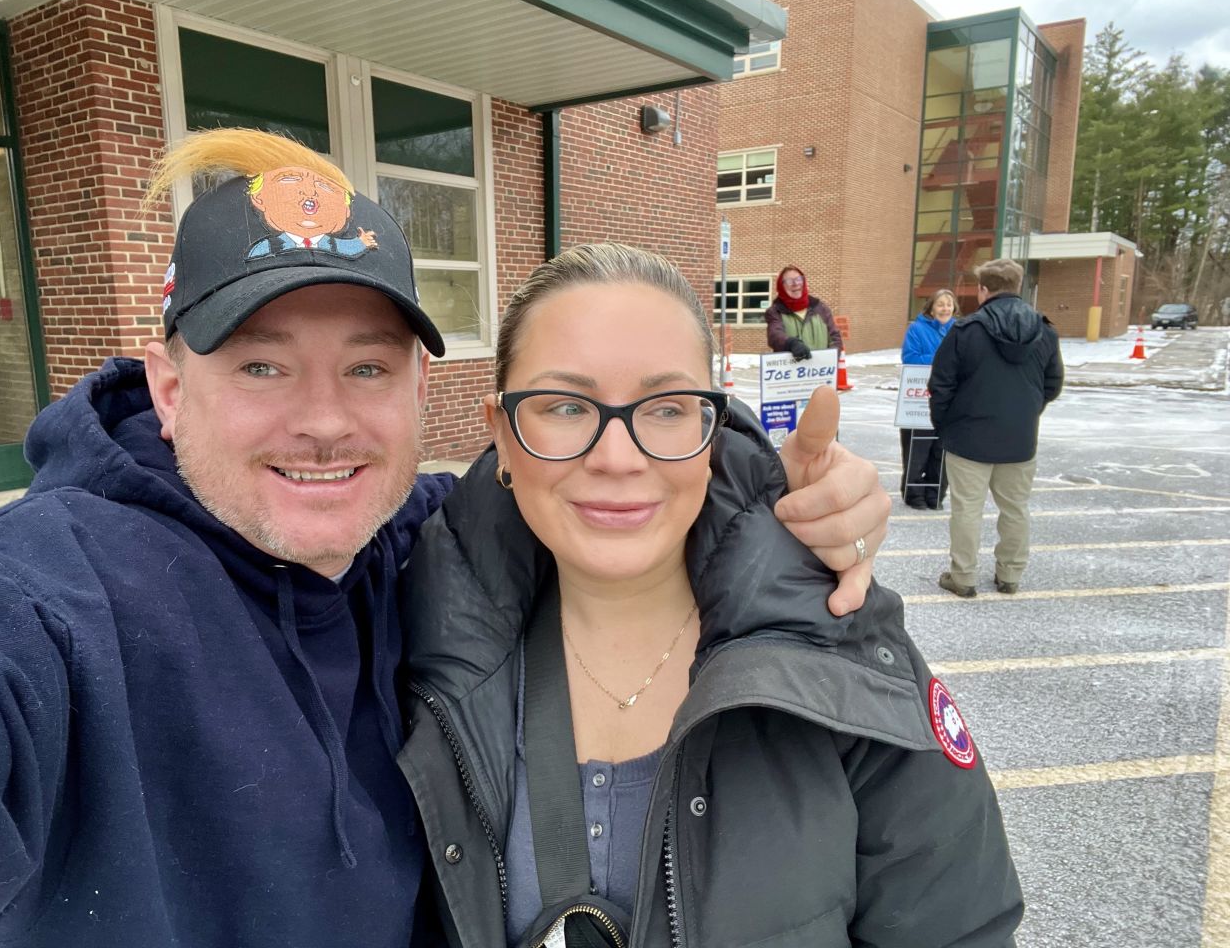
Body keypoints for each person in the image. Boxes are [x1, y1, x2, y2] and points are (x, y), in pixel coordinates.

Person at [0, 130, 889, 948]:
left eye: (366, 366)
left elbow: (573, 470)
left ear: (419, 394)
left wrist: (774, 510)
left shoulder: (410, 538)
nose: (324, 421)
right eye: (262, 365)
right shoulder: (44, 596)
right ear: (166, 387)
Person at [398, 243, 1023, 948]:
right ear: (502, 435)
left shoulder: (837, 646)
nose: (617, 457)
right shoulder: (418, 634)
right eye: (566, 406)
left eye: (665, 408)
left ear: (710, 432)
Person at [929, 258, 1063, 598]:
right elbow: (1053, 383)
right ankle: (1010, 574)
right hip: (1019, 437)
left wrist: (944, 424)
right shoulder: (1045, 330)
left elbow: (941, 385)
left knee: (966, 511)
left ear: (982, 290)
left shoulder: (965, 331)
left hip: (968, 436)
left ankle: (964, 576)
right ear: (1018, 288)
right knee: (1015, 509)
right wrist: (1028, 411)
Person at [899, 288, 956, 509]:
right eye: (940, 304)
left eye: (949, 304)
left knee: (941, 451)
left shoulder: (959, 329)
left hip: (949, 401)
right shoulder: (917, 329)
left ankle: (935, 494)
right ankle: (914, 494)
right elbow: (910, 357)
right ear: (931, 307)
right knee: (917, 450)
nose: (945, 308)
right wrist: (943, 358)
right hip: (919, 400)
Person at [764, 265, 843, 360]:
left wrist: (831, 357)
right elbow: (775, 336)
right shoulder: (775, 311)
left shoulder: (821, 308)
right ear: (781, 286)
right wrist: (791, 343)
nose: (795, 284)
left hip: (821, 371)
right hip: (791, 372)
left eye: (799, 279)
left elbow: (835, 336)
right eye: (789, 281)